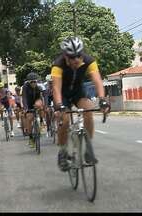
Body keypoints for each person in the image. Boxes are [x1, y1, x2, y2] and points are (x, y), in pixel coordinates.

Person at [51, 36, 110, 172]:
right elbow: (56, 89)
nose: (76, 59)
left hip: (78, 93)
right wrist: (59, 106)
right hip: (63, 95)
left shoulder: (89, 61)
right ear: (65, 56)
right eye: (72, 57)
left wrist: (102, 100)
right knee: (64, 120)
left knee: (88, 110)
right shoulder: (57, 65)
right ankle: (63, 151)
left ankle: (88, 150)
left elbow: (98, 81)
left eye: (78, 55)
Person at [22, 72, 45, 148]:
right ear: (28, 82)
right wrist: (25, 108)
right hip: (29, 103)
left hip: (36, 100)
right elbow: (24, 98)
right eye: (32, 82)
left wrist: (44, 106)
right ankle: (31, 137)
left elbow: (42, 97)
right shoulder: (25, 87)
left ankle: (41, 122)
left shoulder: (39, 87)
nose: (34, 83)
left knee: (40, 106)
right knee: (29, 118)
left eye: (35, 81)